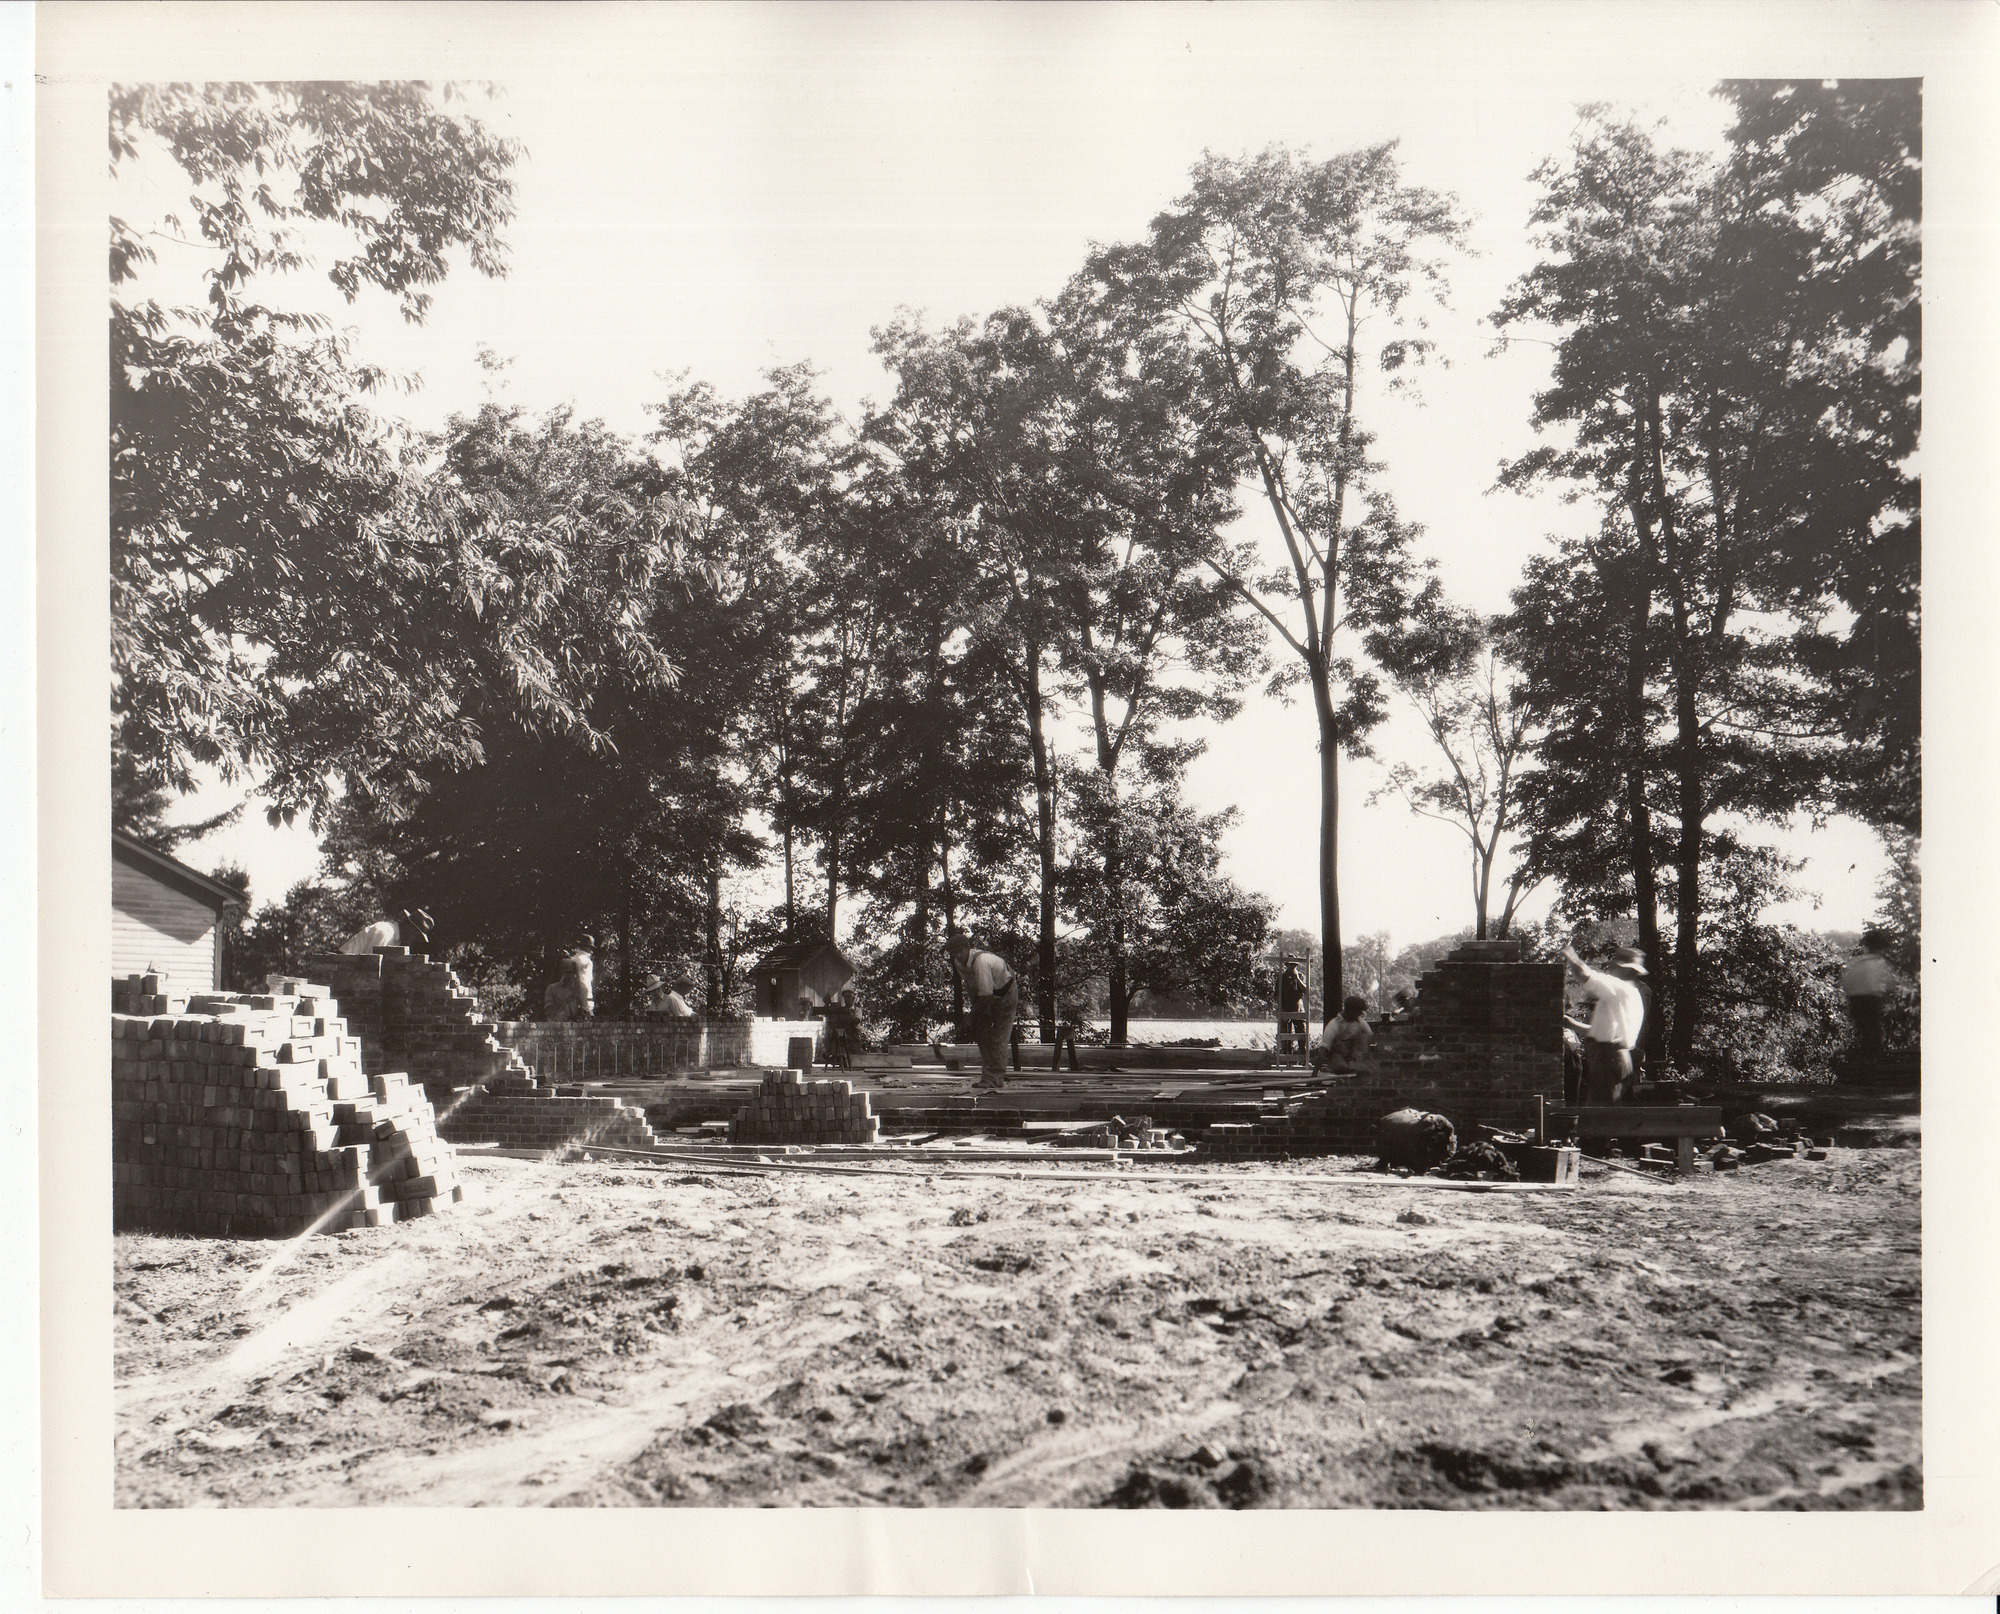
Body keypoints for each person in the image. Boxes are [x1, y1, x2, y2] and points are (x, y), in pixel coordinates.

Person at [1563, 942, 1643, 1105]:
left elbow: (1585, 975)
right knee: (1609, 1114)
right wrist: (1573, 1025)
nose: (1611, 969)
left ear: (1627, 969)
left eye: (1615, 966)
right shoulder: (1633, 994)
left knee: (1600, 1117)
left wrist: (1570, 956)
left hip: (1608, 1058)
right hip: (1619, 1057)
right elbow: (1605, 1031)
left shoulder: (1617, 987)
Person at [947, 931, 1018, 1091]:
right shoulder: (959, 964)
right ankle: (990, 1076)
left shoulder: (982, 962)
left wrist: (971, 1016)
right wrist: (975, 1016)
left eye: (960, 951)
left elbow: (986, 995)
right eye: (954, 953)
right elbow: (973, 989)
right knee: (983, 1033)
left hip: (1005, 994)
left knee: (998, 1037)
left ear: (968, 948)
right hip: (986, 995)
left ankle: (994, 1079)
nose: (957, 956)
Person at [1841, 929, 1895, 1064]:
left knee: (1864, 1031)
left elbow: (1846, 982)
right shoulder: (1878, 963)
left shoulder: (1857, 962)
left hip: (1856, 1000)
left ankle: (1867, 1060)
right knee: (1874, 1030)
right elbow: (1887, 984)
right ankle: (1873, 1061)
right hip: (1870, 999)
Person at [1604, 946, 1653, 1081]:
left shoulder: (1642, 990)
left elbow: (1639, 1018)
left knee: (1628, 1069)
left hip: (1630, 1037)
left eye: (1616, 967)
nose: (1612, 971)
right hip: (1613, 1039)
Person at [1312, 995, 1373, 1074]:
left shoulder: (1361, 1023)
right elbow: (1324, 1050)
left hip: (1356, 1059)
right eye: (1357, 1012)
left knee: (1364, 1037)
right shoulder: (1334, 1025)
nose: (1359, 1015)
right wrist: (1314, 1074)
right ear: (1350, 1011)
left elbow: (1371, 1039)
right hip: (1339, 1061)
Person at [543, 950, 595, 1022]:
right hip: (557, 1027)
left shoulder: (582, 989)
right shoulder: (552, 989)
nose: (568, 975)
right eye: (566, 972)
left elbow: (585, 1013)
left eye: (571, 972)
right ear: (561, 973)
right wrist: (566, 1001)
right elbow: (549, 1011)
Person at [1051, 993, 1086, 1072]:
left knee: (1068, 1039)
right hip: (1068, 1028)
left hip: (1068, 1028)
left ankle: (1072, 1066)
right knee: (1068, 1041)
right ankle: (1073, 1067)